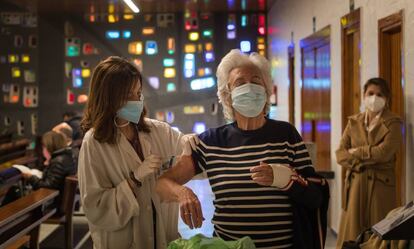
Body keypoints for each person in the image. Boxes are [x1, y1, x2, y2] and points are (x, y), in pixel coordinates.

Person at [156, 49, 329, 249]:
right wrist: (183, 193)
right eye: (239, 83)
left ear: (266, 90)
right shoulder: (211, 141)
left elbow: (316, 197)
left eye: (256, 81)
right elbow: (162, 184)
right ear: (227, 95)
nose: (249, 87)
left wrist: (285, 179)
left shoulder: (286, 135)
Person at [78, 56, 192, 249]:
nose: (136, 101)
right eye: (128, 95)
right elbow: (96, 207)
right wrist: (134, 179)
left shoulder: (158, 131)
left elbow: (190, 148)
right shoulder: (94, 143)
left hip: (163, 237)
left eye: (138, 93)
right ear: (107, 98)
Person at [335, 78, 403, 248]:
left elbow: (384, 153)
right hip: (356, 184)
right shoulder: (354, 121)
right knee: (353, 234)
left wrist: (357, 152)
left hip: (381, 186)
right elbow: (340, 154)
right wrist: (360, 163)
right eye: (370, 93)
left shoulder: (393, 122)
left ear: (387, 98)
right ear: (364, 96)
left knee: (380, 234)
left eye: (379, 94)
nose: (374, 98)